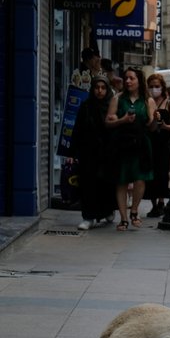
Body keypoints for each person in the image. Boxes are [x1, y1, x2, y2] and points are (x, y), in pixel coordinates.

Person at [105, 67, 158, 230]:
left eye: (131, 78)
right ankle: (123, 218)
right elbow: (107, 123)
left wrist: (156, 119)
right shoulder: (117, 99)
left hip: (141, 143)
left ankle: (134, 210)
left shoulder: (148, 101)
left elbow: (152, 127)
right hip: (122, 143)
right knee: (121, 180)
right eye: (126, 78)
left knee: (140, 178)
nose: (127, 81)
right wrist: (123, 120)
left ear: (138, 81)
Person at [69, 74, 116, 229]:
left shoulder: (112, 105)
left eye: (103, 88)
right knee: (88, 185)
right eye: (97, 87)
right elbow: (77, 130)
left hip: (107, 153)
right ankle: (88, 217)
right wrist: (72, 153)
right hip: (88, 153)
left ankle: (107, 210)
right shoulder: (86, 106)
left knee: (106, 184)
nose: (100, 91)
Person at [145, 73, 170, 217]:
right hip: (149, 141)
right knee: (150, 172)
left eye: (157, 86)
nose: (154, 89)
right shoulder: (147, 102)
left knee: (162, 172)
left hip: (164, 143)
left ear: (162, 87)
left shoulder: (169, 104)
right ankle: (153, 204)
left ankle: (160, 201)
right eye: (151, 86)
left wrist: (165, 127)